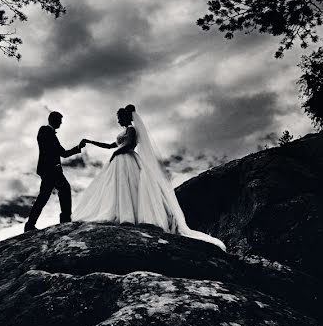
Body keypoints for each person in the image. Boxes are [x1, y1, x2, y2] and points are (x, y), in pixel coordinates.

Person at [76, 104, 226, 250]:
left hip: (127, 160)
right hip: (122, 160)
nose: (118, 121)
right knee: (120, 188)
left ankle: (129, 217)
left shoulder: (131, 130)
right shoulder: (125, 131)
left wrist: (115, 154)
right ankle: (121, 215)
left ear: (125, 118)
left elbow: (128, 145)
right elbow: (110, 145)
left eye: (119, 118)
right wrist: (91, 142)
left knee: (128, 188)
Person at [24, 111, 86, 232]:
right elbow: (49, 150)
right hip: (50, 170)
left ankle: (31, 224)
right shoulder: (45, 131)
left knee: (48, 195)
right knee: (58, 191)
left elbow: (63, 153)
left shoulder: (51, 133)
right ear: (54, 120)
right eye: (60, 121)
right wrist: (54, 164)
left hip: (52, 170)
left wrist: (78, 148)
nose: (61, 123)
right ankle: (64, 220)